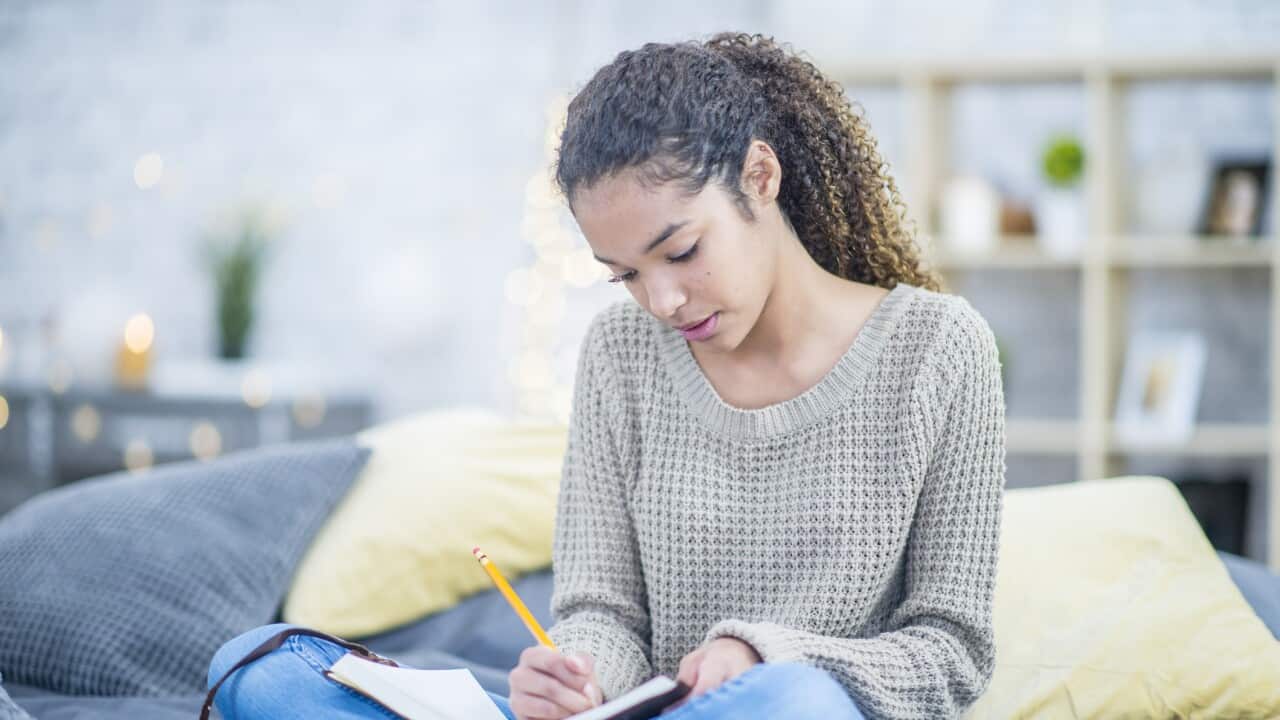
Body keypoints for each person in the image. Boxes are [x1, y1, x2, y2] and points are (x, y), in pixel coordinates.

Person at [207, 32, 1006, 720]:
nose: (661, 299)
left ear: (761, 178)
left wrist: (761, 655)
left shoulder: (940, 350)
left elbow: (951, 653)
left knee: (790, 703)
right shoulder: (622, 355)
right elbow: (603, 613)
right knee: (259, 667)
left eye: (682, 251)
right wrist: (576, 678)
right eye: (622, 273)